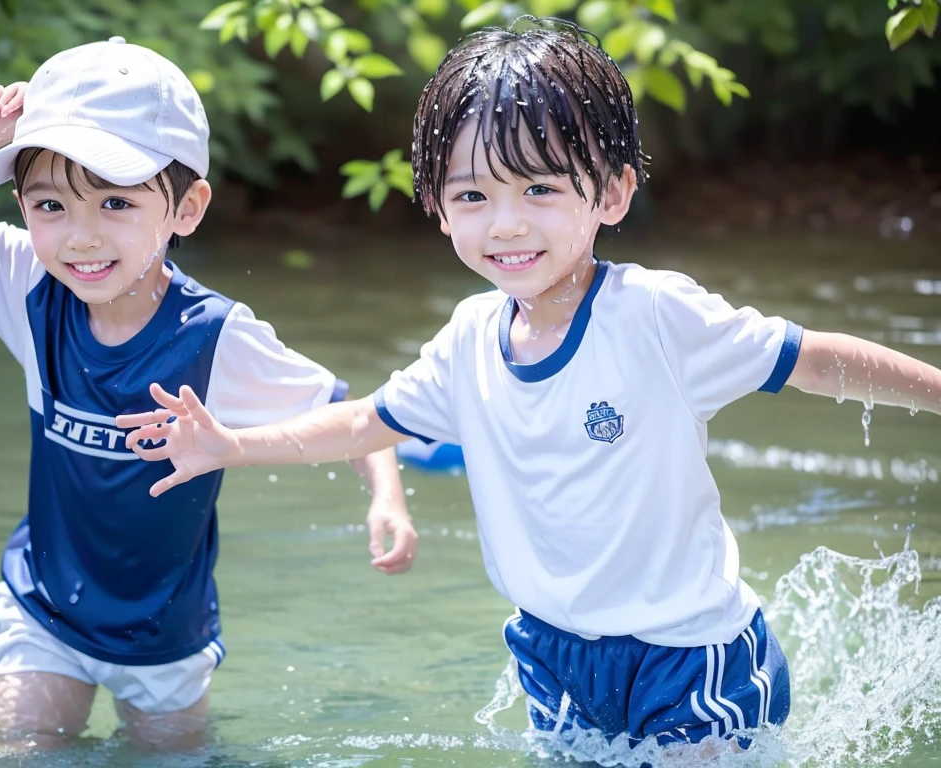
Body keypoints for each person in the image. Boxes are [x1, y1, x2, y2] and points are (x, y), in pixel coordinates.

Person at [115, 17, 941, 754]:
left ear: (612, 193)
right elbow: (366, 422)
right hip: (553, 654)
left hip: (691, 657)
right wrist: (232, 445)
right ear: (438, 209)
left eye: (540, 189)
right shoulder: (468, 339)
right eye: (473, 195)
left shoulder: (656, 315)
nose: (505, 224)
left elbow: (814, 358)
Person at [0, 36, 417, 751]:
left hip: (164, 638)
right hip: (45, 609)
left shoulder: (216, 337)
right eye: (50, 205)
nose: (80, 238)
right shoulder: (26, 281)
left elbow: (357, 416)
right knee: (21, 749)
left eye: (116, 202)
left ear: (186, 208)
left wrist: (386, 498)